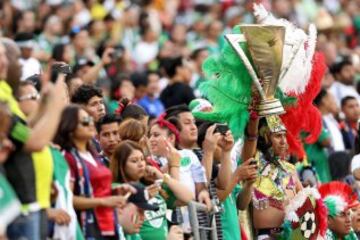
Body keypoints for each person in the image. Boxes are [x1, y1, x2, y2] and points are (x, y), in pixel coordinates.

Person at [54, 105, 128, 239]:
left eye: (90, 119)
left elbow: (98, 190)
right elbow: (67, 198)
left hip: (107, 223)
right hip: (87, 228)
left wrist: (116, 189)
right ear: (70, 128)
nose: (91, 123)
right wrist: (102, 202)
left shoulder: (92, 155)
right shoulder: (67, 158)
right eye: (84, 121)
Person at [111, 140, 193, 240]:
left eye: (142, 159)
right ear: (121, 165)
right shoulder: (119, 189)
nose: (141, 164)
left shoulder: (152, 185)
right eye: (134, 161)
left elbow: (188, 198)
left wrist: (162, 176)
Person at [237, 115, 303, 239]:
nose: (283, 141)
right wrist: (254, 117)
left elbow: (305, 200)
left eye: (284, 135)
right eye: (278, 136)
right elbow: (251, 137)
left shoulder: (290, 168)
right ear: (264, 137)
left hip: (294, 236)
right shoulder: (253, 161)